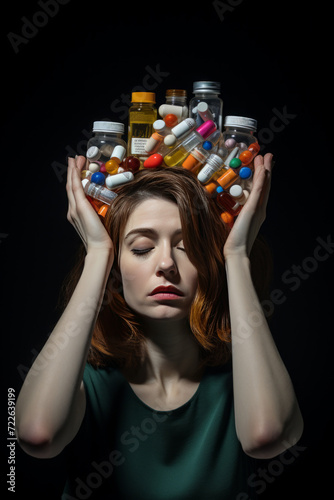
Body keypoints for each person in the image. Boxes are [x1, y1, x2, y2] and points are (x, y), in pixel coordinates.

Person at [15, 153, 304, 499]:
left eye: (187, 246)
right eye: (141, 248)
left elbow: (266, 437)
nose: (166, 263)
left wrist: (237, 255)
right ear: (116, 268)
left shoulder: (246, 380)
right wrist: (96, 254)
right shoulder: (83, 381)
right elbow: (36, 435)